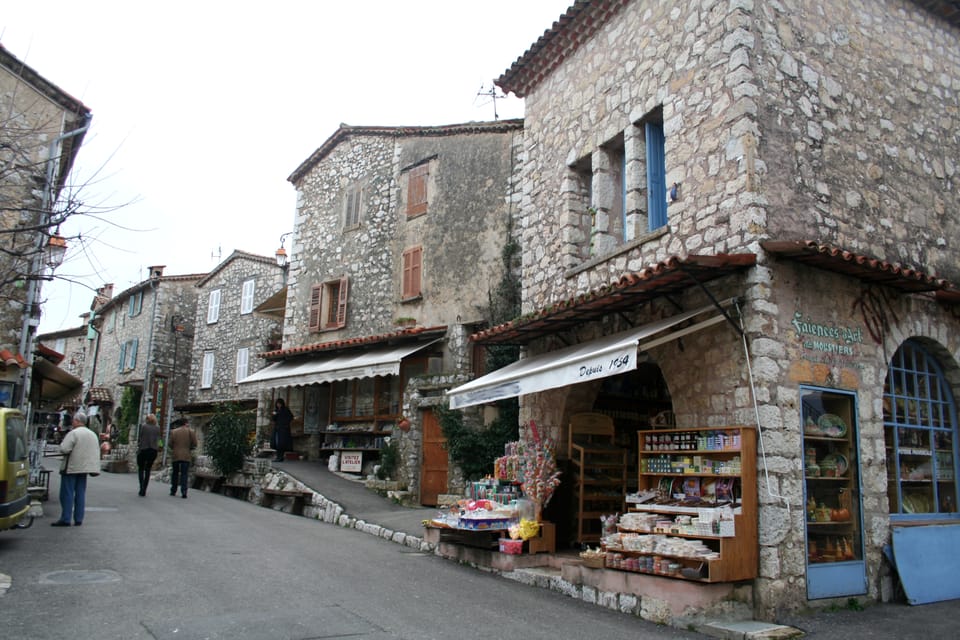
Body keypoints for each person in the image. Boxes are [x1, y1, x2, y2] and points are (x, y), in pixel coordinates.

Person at [52, 410, 101, 527]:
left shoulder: (74, 433)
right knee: (80, 493)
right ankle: (79, 518)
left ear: (77, 421)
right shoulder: (92, 434)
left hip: (72, 466)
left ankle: (66, 518)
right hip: (84, 468)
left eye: (74, 420)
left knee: (67, 493)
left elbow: (64, 449)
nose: (72, 422)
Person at [168, 418, 197, 498]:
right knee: (184, 474)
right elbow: (195, 443)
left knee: (175, 473)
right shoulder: (191, 431)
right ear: (185, 423)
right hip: (186, 455)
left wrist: (175, 448)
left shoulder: (174, 432)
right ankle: (184, 491)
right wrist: (189, 448)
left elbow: (170, 444)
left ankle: (173, 490)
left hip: (176, 455)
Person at [137, 414, 162, 496]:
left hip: (143, 449)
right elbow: (159, 439)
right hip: (153, 450)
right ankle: (145, 488)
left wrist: (139, 445)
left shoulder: (143, 426)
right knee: (148, 469)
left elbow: (140, 438)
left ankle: (141, 487)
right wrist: (160, 447)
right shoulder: (157, 428)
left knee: (141, 468)